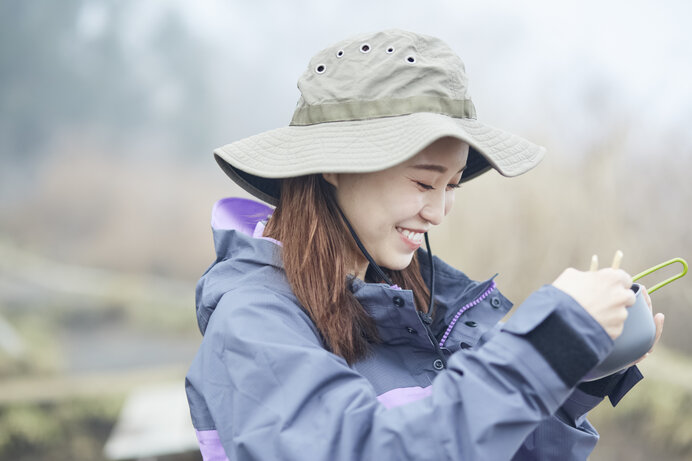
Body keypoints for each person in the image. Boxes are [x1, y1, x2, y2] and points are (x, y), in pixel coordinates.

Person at [185, 29, 663, 460]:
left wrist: (574, 376)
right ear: (332, 166)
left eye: (451, 185)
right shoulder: (253, 320)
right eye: (422, 182)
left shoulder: (414, 309)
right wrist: (546, 344)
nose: (437, 213)